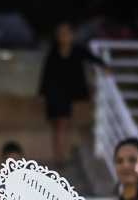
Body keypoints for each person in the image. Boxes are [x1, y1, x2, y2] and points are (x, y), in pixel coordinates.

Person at [37, 22, 105, 166]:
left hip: (67, 94)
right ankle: (58, 153)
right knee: (55, 124)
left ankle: (60, 156)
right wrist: (42, 93)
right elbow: (46, 74)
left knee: (63, 123)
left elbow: (92, 58)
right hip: (53, 93)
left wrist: (104, 65)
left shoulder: (77, 51)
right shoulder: (53, 53)